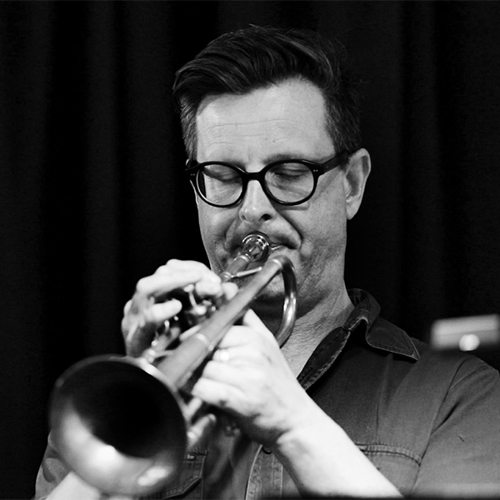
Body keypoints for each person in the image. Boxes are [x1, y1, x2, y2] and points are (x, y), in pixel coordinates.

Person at [35, 26, 500, 500]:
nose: (253, 207)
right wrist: (131, 418)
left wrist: (293, 423)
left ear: (353, 184)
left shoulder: (458, 395)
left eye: (289, 173)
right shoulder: (111, 406)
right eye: (223, 175)